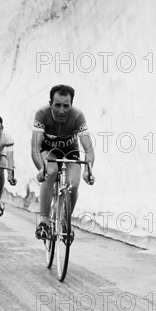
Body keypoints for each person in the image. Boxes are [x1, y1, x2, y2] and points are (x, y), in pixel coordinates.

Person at [31, 84, 95, 241]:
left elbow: (88, 149)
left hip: (70, 150)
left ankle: (65, 221)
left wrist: (88, 170)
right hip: (49, 149)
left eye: (66, 106)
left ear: (71, 104)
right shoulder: (42, 114)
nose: (61, 111)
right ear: (50, 103)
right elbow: (35, 148)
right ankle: (44, 222)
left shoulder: (78, 115)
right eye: (57, 105)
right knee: (51, 171)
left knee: (73, 184)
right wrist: (41, 169)